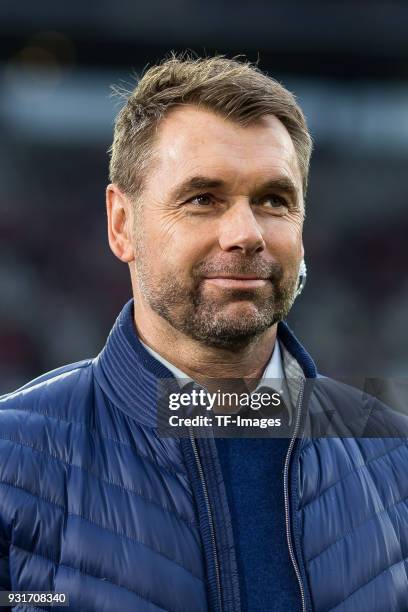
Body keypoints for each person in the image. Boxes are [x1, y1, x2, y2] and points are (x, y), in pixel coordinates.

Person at [0, 54, 407, 612]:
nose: (245, 233)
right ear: (122, 224)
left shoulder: (394, 459)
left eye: (273, 200)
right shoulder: (11, 463)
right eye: (202, 199)